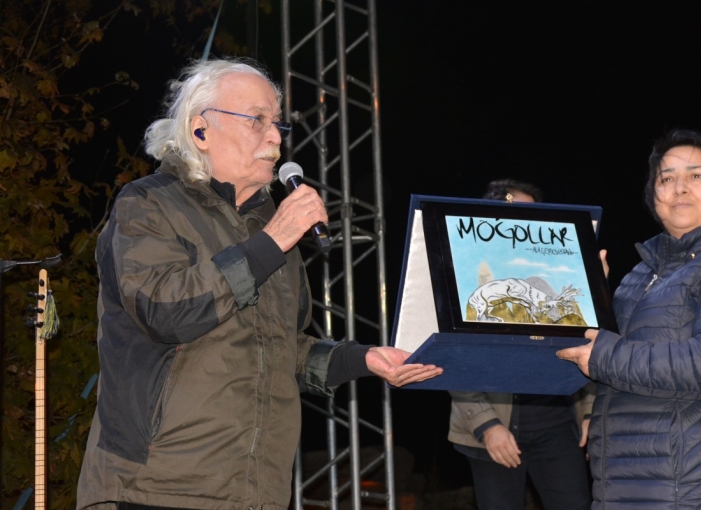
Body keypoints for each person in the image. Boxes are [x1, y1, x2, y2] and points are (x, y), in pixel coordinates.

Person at [76, 58, 441, 510]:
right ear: (200, 130)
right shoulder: (148, 204)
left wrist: (363, 359)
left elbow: (285, 349)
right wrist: (274, 241)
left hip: (256, 492)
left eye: (277, 124)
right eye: (257, 120)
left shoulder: (268, 228)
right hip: (154, 487)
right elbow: (165, 311)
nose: (276, 138)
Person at [558, 129, 701, 509]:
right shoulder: (638, 276)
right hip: (632, 486)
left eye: (696, 175)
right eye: (666, 179)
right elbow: (597, 359)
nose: (679, 188)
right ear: (654, 198)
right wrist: (584, 299)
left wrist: (605, 356)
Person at [448, 178, 594, 510]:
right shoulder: (464, 273)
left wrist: (590, 412)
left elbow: (584, 339)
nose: (526, 224)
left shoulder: (550, 274)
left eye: (533, 215)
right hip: (493, 430)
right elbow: (455, 356)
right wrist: (487, 425)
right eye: (515, 214)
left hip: (559, 426)